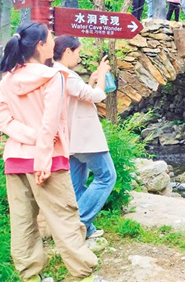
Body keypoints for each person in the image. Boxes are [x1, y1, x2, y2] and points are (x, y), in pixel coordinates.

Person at [0, 22, 98, 281]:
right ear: (40, 45)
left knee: (22, 222)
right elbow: (50, 124)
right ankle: (83, 274)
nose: (54, 42)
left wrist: (29, 137)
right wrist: (41, 154)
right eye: (51, 38)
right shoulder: (52, 77)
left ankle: (30, 276)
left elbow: (2, 119)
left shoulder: (8, 79)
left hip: (16, 160)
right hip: (48, 160)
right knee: (65, 218)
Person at [53, 36, 117, 240]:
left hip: (71, 139)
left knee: (77, 186)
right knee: (107, 176)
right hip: (85, 139)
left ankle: (86, 229)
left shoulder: (56, 73)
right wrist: (102, 76)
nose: (79, 57)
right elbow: (97, 96)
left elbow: (79, 97)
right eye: (78, 52)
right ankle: (77, 225)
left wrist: (91, 81)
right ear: (67, 51)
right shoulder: (65, 74)